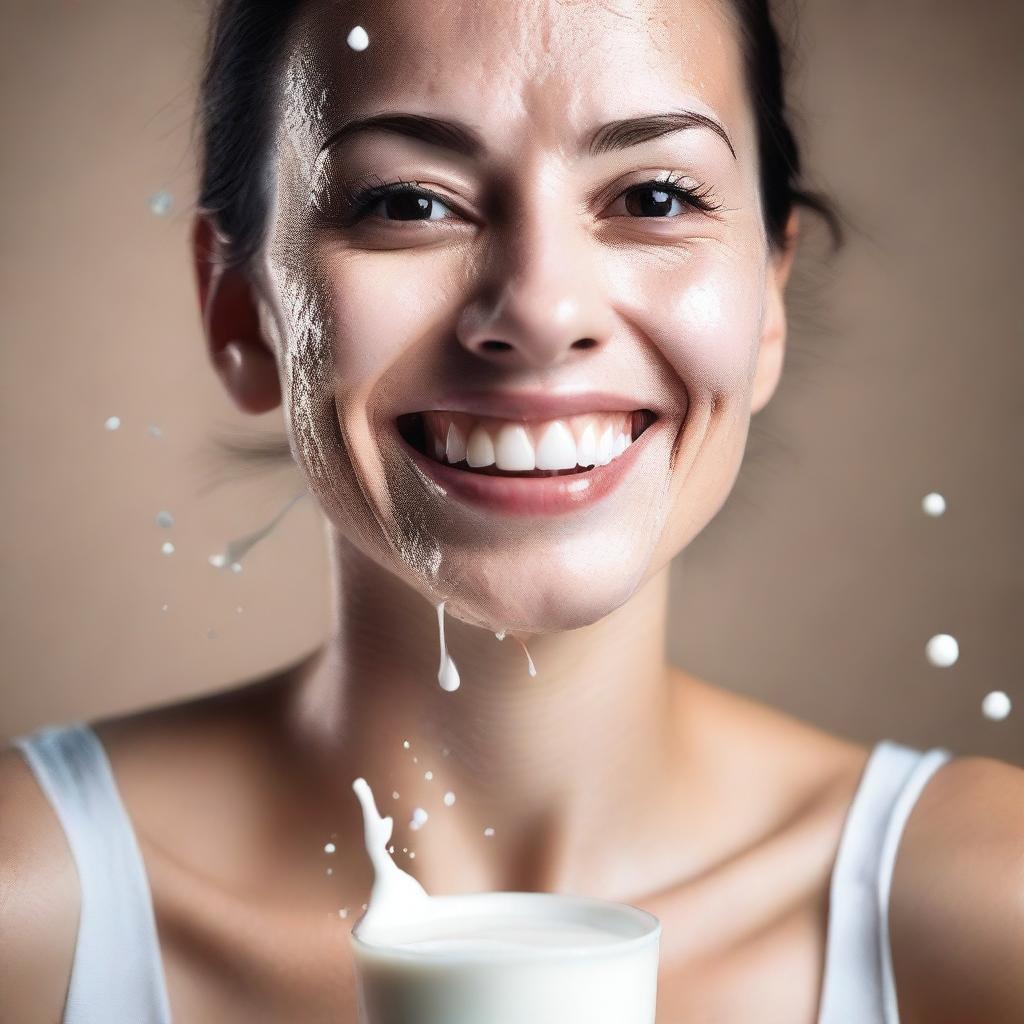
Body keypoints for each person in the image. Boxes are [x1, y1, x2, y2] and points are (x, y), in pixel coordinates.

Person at [2, 1, 1021, 1021]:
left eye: (655, 195)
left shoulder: (986, 908)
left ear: (766, 301)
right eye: (407, 203)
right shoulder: (28, 910)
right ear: (243, 313)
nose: (539, 311)